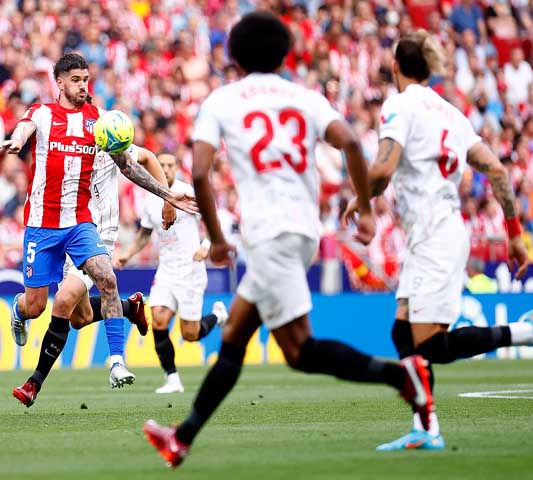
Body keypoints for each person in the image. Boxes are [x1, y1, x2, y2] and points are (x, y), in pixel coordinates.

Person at [142, 12, 435, 468]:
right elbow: (352, 144)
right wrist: (364, 206)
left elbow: (198, 171)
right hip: (301, 231)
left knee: (300, 352)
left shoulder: (222, 100)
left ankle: (404, 378)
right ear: (284, 54)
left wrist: (217, 240)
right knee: (236, 334)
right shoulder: (305, 97)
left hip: (269, 235)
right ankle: (181, 439)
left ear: (233, 56)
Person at [342, 30, 533, 451]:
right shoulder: (451, 113)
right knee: (402, 336)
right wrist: (515, 236)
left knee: (431, 344)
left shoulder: (399, 104)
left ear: (395, 68)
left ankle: (530, 332)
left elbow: (383, 169)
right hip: (434, 232)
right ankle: (426, 428)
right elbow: (499, 172)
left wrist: (361, 199)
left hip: (436, 235)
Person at [0, 53, 196, 402]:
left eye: (86, 79)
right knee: (47, 309)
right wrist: (18, 140)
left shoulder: (100, 122)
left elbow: (130, 167)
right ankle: (20, 310)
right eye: (75, 80)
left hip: (80, 224)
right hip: (41, 227)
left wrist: (168, 193)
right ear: (58, 81)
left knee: (105, 277)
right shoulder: (43, 114)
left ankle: (116, 363)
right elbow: (25, 126)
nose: (82, 86)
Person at [11, 142, 182, 407]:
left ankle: (34, 383)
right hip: (65, 230)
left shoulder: (108, 141)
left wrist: (167, 198)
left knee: (64, 301)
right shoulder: (64, 145)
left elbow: (147, 157)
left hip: (97, 236)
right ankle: (128, 308)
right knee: (79, 318)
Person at [115, 151, 228, 394]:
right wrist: (128, 253)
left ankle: (217, 316)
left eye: (169, 165)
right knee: (158, 320)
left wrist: (206, 247)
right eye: (161, 164)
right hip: (166, 269)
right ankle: (172, 379)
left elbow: (213, 222)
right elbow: (145, 233)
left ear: (176, 167)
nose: (164, 169)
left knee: (190, 334)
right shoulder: (151, 199)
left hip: (191, 269)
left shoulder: (188, 193)